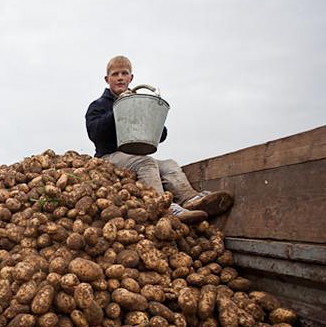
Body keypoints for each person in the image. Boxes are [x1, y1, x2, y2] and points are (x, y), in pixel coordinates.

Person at [85, 55, 233, 224]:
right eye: (115, 74)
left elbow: (159, 135)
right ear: (107, 79)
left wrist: (154, 124)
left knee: (169, 164)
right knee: (146, 162)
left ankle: (190, 200)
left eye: (124, 73)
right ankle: (165, 208)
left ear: (131, 78)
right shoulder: (98, 105)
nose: (120, 78)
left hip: (134, 155)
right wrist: (120, 108)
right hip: (108, 157)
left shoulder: (137, 102)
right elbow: (94, 133)